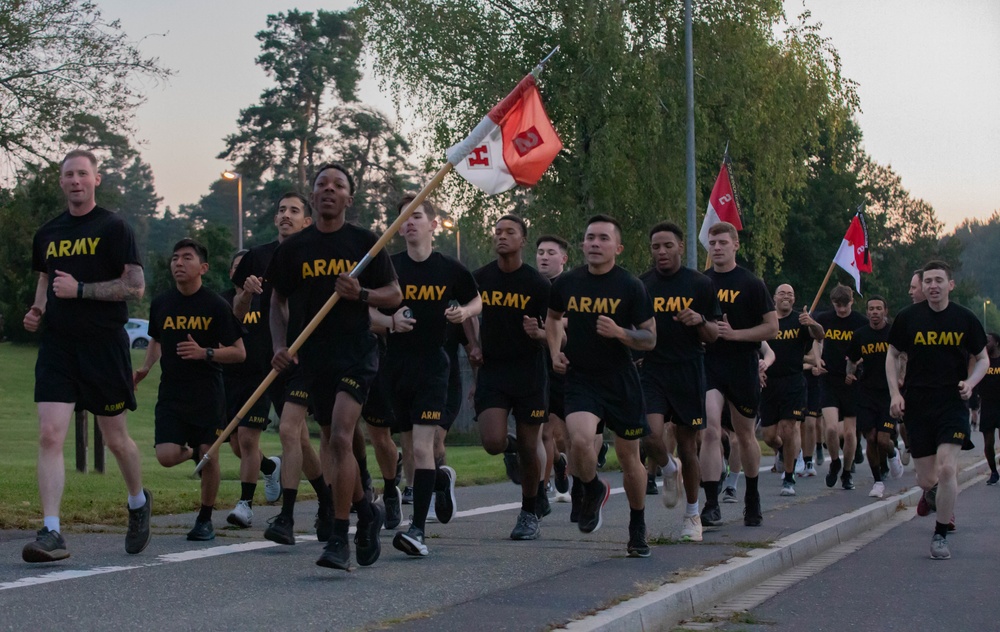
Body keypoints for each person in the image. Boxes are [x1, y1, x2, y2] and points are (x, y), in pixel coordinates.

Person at [267, 164, 401, 570]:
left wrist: (361, 293)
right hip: (313, 356)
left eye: (337, 185)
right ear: (313, 196)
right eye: (321, 184)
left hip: (356, 351)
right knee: (329, 436)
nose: (328, 190)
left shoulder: (366, 244)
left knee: (341, 439)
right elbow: (277, 301)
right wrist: (279, 345)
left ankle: (339, 539)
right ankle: (367, 509)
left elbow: (394, 295)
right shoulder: (293, 249)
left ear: (349, 198)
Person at [22, 149, 151, 563]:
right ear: (61, 182)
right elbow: (45, 278)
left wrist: (80, 290)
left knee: (115, 439)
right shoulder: (48, 232)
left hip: (103, 344)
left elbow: (135, 288)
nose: (75, 180)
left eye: (83, 174)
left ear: (96, 180)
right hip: (59, 346)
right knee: (50, 434)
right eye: (68, 175)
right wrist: (38, 308)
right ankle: (52, 531)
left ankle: (137, 501)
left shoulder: (114, 227)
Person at [367, 194, 480, 557]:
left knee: (422, 446)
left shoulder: (450, 268)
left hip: (434, 364)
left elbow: (478, 300)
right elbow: (363, 312)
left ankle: (417, 531)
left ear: (433, 225)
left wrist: (464, 312)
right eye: (403, 218)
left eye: (416, 216)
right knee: (409, 450)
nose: (409, 223)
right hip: (395, 365)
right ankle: (436, 487)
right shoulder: (388, 268)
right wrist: (390, 321)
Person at [547, 214, 656, 557]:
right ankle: (592, 488)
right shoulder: (567, 283)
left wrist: (621, 332)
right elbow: (551, 319)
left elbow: (650, 337)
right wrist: (554, 352)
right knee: (578, 440)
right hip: (581, 377)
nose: (595, 243)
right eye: (590, 237)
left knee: (629, 458)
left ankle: (637, 527)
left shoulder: (630, 286)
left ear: (617, 248)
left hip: (620, 379)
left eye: (603, 239)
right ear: (582, 244)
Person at [227, 193, 333, 539]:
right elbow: (238, 315)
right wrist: (246, 292)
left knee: (288, 430)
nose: (285, 215)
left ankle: (286, 517)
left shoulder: (315, 255)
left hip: (305, 360)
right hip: (269, 362)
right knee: (299, 440)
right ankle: (327, 500)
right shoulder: (256, 257)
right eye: (281, 210)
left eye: (294, 211)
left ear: (307, 221)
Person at [134, 239, 246, 540]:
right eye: (174, 258)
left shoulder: (216, 305)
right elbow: (156, 339)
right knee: (167, 456)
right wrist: (145, 367)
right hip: (171, 393)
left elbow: (239, 352)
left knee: (210, 456)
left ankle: (205, 518)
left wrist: (205, 353)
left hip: (208, 392)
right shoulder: (161, 303)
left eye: (186, 258)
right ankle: (196, 451)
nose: (178, 263)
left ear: (203, 268)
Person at [886, 260, 988, 560]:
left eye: (939, 280)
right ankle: (934, 496)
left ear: (950, 284)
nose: (933, 285)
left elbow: (982, 358)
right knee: (926, 478)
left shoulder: (965, 319)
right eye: (928, 281)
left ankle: (941, 535)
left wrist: (970, 383)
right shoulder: (908, 318)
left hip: (952, 402)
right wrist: (895, 393)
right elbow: (891, 355)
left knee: (947, 468)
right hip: (918, 403)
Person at [468, 215, 551, 540]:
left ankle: (529, 512)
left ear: (522, 240)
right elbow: (464, 308)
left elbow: (555, 331)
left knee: (531, 448)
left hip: (529, 372)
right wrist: (473, 343)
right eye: (498, 231)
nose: (502, 237)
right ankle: (510, 445)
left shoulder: (537, 284)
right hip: (494, 370)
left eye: (510, 232)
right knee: (491, 442)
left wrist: (540, 333)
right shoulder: (481, 278)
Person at [639, 222, 719, 542]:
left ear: (681, 247)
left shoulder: (700, 283)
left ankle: (692, 515)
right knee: (648, 435)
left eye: (667, 246)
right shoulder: (642, 285)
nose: (661, 252)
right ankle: (669, 469)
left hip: (688, 369)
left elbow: (713, 334)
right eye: (656, 247)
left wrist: (699, 319)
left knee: (688, 445)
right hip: (653, 369)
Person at [700, 222, 778, 528]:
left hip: (742, 364)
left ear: (735, 245)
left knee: (745, 435)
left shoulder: (751, 283)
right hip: (709, 364)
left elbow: (772, 327)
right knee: (710, 429)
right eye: (712, 242)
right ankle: (710, 503)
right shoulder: (701, 282)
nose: (716, 247)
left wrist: (736, 334)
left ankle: (752, 496)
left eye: (722, 242)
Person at [760, 284, 824, 496]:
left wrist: (812, 323)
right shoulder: (767, 321)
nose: (786, 297)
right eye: (782, 293)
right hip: (769, 382)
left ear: (794, 300)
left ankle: (789, 478)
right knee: (769, 436)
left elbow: (820, 335)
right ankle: (781, 452)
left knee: (789, 428)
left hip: (794, 381)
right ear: (774, 298)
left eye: (790, 294)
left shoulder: (800, 320)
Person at [846, 295, 904, 499]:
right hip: (866, 392)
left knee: (883, 439)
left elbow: (904, 355)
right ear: (867, 311)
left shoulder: (894, 333)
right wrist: (849, 373)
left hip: (888, 393)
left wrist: (901, 377)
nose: (874, 312)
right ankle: (878, 481)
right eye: (871, 309)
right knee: (870, 438)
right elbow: (851, 359)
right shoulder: (860, 335)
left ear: (885, 311)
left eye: (879, 308)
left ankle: (892, 453)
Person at [813, 284, 867, 490]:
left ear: (852, 302)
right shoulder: (825, 319)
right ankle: (835, 461)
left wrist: (854, 367)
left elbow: (866, 350)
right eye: (837, 305)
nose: (842, 310)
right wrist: (818, 360)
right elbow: (816, 341)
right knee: (832, 427)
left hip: (851, 381)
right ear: (832, 303)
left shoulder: (860, 322)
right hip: (829, 379)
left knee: (851, 433)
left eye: (845, 305)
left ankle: (847, 471)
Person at [536, 235, 572, 502]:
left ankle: (564, 465)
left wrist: (549, 329)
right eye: (540, 252)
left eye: (550, 252)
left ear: (564, 259)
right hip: (536, 367)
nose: (544, 257)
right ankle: (542, 489)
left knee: (564, 436)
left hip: (566, 366)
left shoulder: (571, 286)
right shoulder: (531, 285)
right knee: (544, 431)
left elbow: (571, 323)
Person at [977, 333, 1000, 485]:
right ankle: (993, 472)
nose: (985, 343)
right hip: (987, 406)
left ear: (997, 343)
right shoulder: (983, 361)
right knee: (988, 443)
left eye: (988, 340)